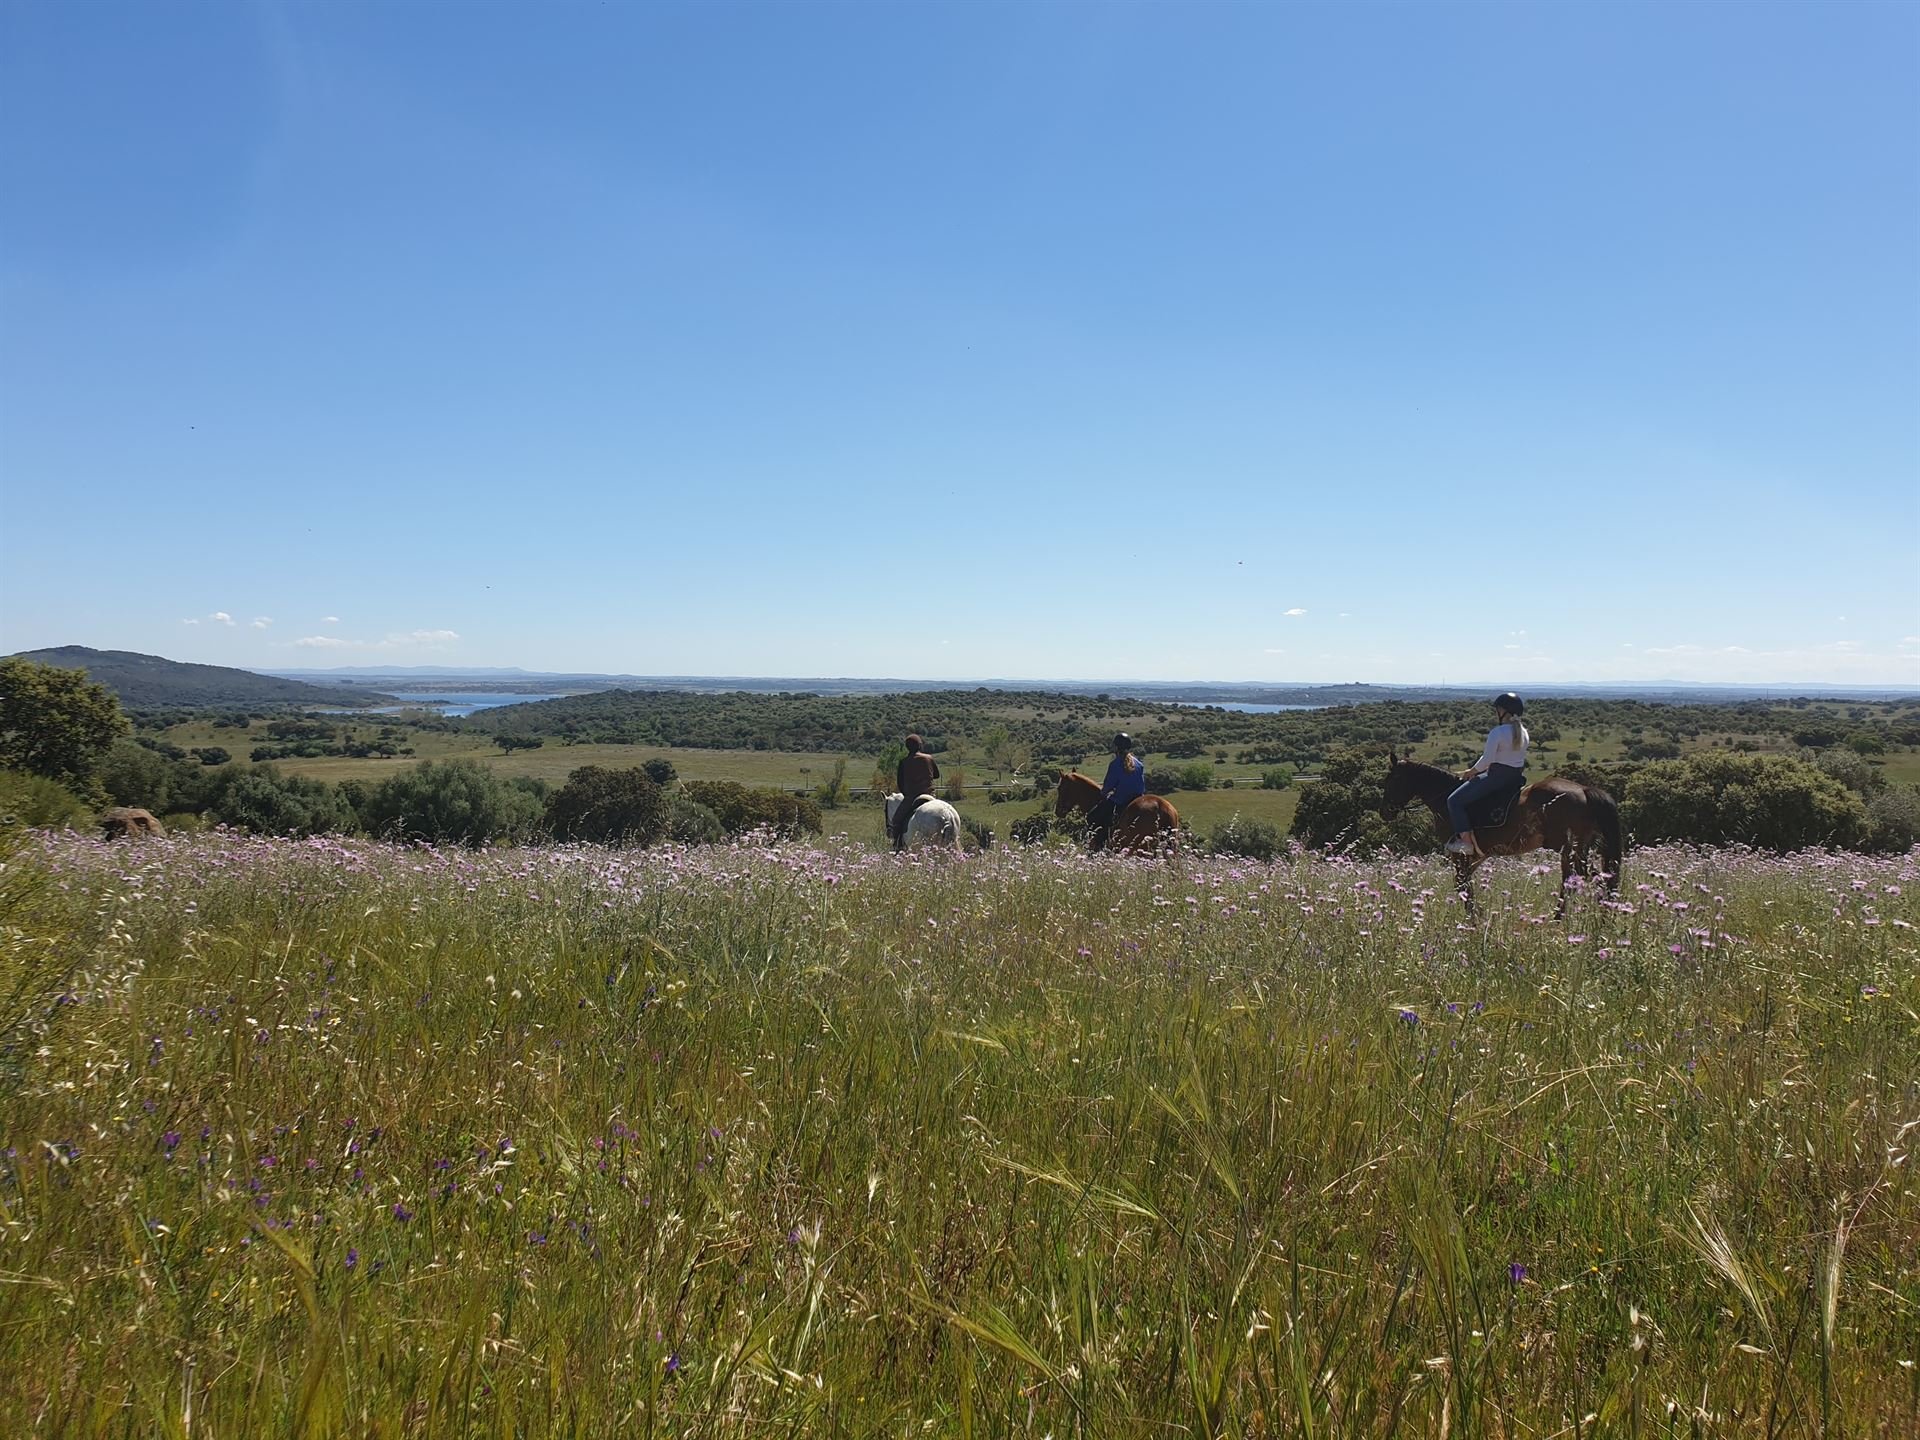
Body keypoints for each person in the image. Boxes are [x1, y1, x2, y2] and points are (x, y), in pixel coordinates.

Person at [1445, 694, 1530, 856]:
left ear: (1504, 711)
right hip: (1515, 778)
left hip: (1496, 777)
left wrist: (1471, 772)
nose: (1496, 712)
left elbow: (1487, 760)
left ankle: (1466, 843)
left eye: (1498, 709)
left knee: (1454, 800)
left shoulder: (1498, 732)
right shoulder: (1524, 732)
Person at [1089, 732, 1146, 852]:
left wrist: (1103, 794)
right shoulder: (1139, 764)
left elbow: (1108, 787)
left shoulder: (1115, 764)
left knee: (1092, 817)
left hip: (1121, 800)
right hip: (1138, 798)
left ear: (1116, 748)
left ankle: (1099, 846)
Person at [890, 733, 941, 850]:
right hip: (930, 795)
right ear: (919, 745)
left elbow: (900, 783)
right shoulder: (929, 758)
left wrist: (906, 793)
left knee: (896, 820)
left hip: (912, 797)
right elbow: (937, 775)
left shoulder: (904, 762)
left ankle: (897, 846)